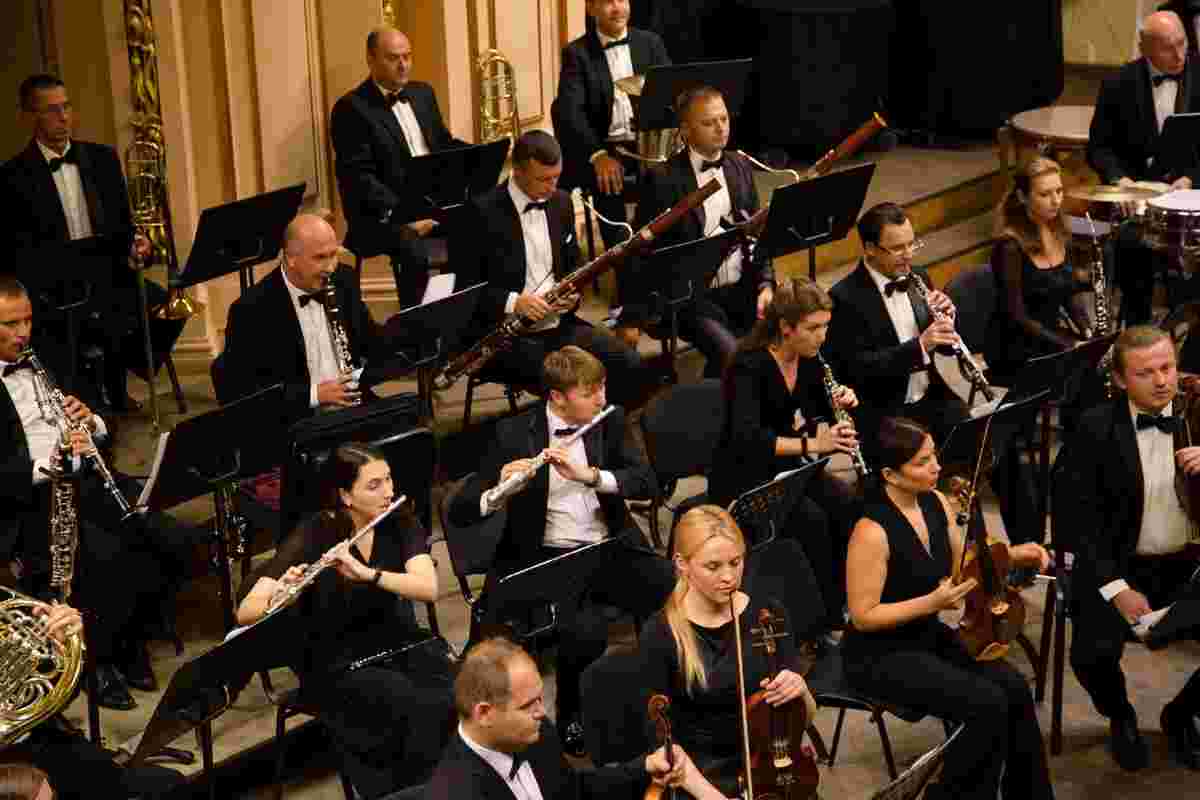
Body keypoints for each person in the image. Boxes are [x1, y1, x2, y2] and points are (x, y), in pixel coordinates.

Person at [448, 346, 674, 757]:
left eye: (602, 388)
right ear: (557, 396)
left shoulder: (610, 420)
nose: (601, 399)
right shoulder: (513, 434)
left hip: (608, 544)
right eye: (590, 392)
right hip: (550, 556)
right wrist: (499, 488)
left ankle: (668, 691)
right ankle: (572, 715)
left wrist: (592, 476)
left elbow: (646, 482)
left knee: (672, 585)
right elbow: (461, 510)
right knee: (584, 631)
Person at [0, 276, 196, 711]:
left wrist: (91, 423)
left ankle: (130, 634)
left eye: (27, 320)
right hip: (29, 496)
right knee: (103, 553)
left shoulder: (47, 355)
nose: (23, 332)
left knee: (166, 534)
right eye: (11, 324)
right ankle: (98, 660)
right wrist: (52, 464)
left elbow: (103, 415)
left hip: (86, 475)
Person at [842, 417, 1054, 800]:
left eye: (934, 456)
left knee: (1014, 688)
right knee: (986, 705)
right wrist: (932, 602)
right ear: (890, 475)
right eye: (922, 462)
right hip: (878, 654)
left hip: (926, 635)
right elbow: (863, 615)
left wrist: (1011, 555)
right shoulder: (870, 532)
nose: (936, 467)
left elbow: (963, 564)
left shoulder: (936, 502)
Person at [236, 442, 456, 797]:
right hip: (334, 658)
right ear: (346, 496)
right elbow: (246, 611)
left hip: (395, 641)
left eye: (388, 479)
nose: (388, 492)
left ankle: (450, 785)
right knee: (411, 705)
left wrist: (368, 574)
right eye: (374, 485)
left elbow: (427, 587)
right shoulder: (317, 531)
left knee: (457, 689)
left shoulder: (400, 519)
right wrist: (283, 596)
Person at [1059, 325, 1200, 772]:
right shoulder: (1093, 428)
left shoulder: (1198, 413)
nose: (1161, 381)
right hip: (1118, 566)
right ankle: (1120, 715)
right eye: (1145, 373)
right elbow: (1076, 522)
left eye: (1167, 368)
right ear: (1120, 380)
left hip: (1190, 566)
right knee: (1090, 655)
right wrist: (1117, 588)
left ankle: (1181, 714)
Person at [0, 74, 171, 413]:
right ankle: (83, 398)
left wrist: (138, 244)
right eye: (51, 110)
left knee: (160, 305)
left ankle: (115, 386)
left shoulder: (103, 159)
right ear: (30, 117)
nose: (64, 117)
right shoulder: (11, 176)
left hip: (105, 275)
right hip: (51, 289)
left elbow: (123, 226)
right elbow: (14, 251)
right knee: (66, 324)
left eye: (66, 107)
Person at [453, 131, 651, 409]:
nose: (552, 186)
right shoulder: (479, 212)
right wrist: (515, 302)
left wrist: (573, 296)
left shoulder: (561, 202)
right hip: (504, 337)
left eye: (556, 177)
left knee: (630, 365)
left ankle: (607, 432)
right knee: (571, 386)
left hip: (558, 325)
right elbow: (464, 290)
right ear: (518, 171)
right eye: (543, 179)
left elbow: (572, 265)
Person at [708, 278, 861, 631]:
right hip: (745, 478)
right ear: (786, 327)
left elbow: (818, 408)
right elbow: (749, 440)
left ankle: (847, 598)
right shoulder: (748, 365)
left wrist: (842, 400)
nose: (822, 336)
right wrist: (815, 445)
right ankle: (822, 621)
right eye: (813, 328)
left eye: (825, 326)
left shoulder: (808, 358)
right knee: (812, 522)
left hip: (788, 469)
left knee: (847, 505)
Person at [638, 505, 819, 797]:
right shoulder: (660, 634)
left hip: (771, 766)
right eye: (713, 566)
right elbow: (663, 749)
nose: (729, 577)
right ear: (682, 563)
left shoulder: (768, 614)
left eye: (736, 562)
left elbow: (804, 719)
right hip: (701, 775)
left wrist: (802, 690)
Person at [424, 636, 717, 800]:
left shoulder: (536, 732)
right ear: (484, 713)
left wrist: (644, 767)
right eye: (527, 705)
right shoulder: (454, 792)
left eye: (540, 698)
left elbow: (572, 789)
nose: (542, 712)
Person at [621, 85, 774, 371]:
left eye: (724, 119)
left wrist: (765, 285)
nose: (721, 128)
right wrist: (632, 317)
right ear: (685, 130)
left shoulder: (740, 165)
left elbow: (757, 234)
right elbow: (639, 251)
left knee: (788, 337)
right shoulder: (663, 179)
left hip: (742, 287)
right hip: (691, 298)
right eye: (708, 123)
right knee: (733, 359)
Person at [330, 27, 468, 308]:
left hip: (430, 203)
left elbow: (443, 144)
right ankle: (418, 325)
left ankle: (456, 312)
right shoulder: (351, 108)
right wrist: (406, 215)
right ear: (371, 60)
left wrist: (479, 155)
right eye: (394, 58)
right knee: (411, 246)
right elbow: (359, 178)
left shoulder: (423, 93)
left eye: (407, 56)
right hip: (382, 216)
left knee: (480, 224)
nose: (403, 65)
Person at [218, 213, 398, 424]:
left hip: (353, 406)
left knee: (411, 420)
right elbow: (243, 393)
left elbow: (370, 340)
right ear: (290, 258)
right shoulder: (251, 309)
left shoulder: (343, 279)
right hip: (296, 421)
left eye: (333, 255)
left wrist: (408, 338)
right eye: (320, 258)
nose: (330, 267)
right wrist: (315, 395)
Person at [551, 0, 671, 315]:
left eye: (621, 0)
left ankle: (663, 274)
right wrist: (598, 154)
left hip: (644, 142)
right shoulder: (577, 53)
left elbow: (671, 95)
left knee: (670, 180)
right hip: (603, 146)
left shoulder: (650, 43)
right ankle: (629, 290)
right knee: (609, 182)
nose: (617, 8)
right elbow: (570, 113)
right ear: (591, 9)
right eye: (607, 2)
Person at [0, 602, 183, 800]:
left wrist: (65, 649)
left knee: (167, 784)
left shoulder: (7, 606)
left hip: (38, 738)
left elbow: (55, 697)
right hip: (10, 771)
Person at [826, 202, 965, 461]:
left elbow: (944, 349)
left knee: (983, 437)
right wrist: (919, 346)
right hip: (885, 412)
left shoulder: (918, 276)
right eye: (898, 248)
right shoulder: (844, 298)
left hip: (931, 398)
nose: (908, 254)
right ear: (870, 248)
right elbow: (856, 369)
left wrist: (948, 320)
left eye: (912, 244)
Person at [1087, 10, 1200, 327]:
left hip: (1191, 201)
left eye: (1182, 43)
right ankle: (1136, 334)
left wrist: (1191, 178)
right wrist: (1120, 181)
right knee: (1133, 255)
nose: (1179, 55)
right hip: (1137, 207)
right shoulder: (1117, 83)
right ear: (1144, 48)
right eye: (1168, 48)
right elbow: (1099, 147)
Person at [987, 156, 1092, 382]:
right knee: (1083, 376)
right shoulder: (1009, 246)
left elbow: (1069, 291)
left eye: (1059, 191)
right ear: (1022, 197)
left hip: (1049, 335)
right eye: (1045, 194)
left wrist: (1086, 330)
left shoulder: (1060, 231)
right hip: (1015, 345)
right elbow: (1017, 316)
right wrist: (1069, 344)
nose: (1056, 201)